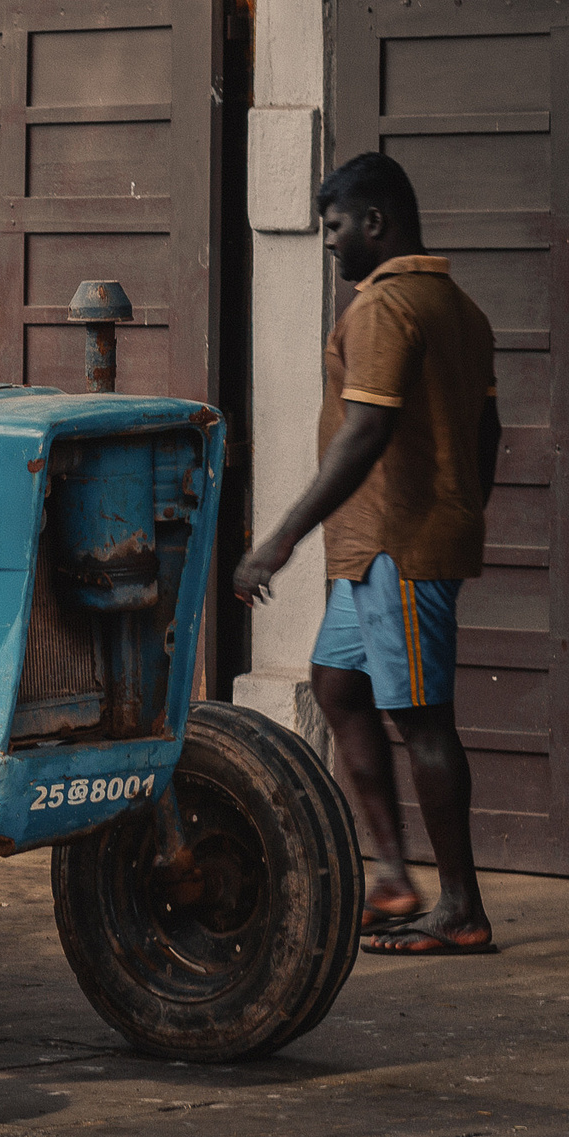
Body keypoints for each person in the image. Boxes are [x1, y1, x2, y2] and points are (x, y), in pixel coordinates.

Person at [234, 152, 501, 956]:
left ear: (376, 223)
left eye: (337, 226)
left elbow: (366, 430)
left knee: (421, 719)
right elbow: (491, 433)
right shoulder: (460, 307)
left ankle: (460, 907)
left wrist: (279, 539)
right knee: (339, 684)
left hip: (398, 544)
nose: (330, 243)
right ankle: (391, 874)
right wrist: (467, 504)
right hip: (379, 549)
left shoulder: (387, 307)